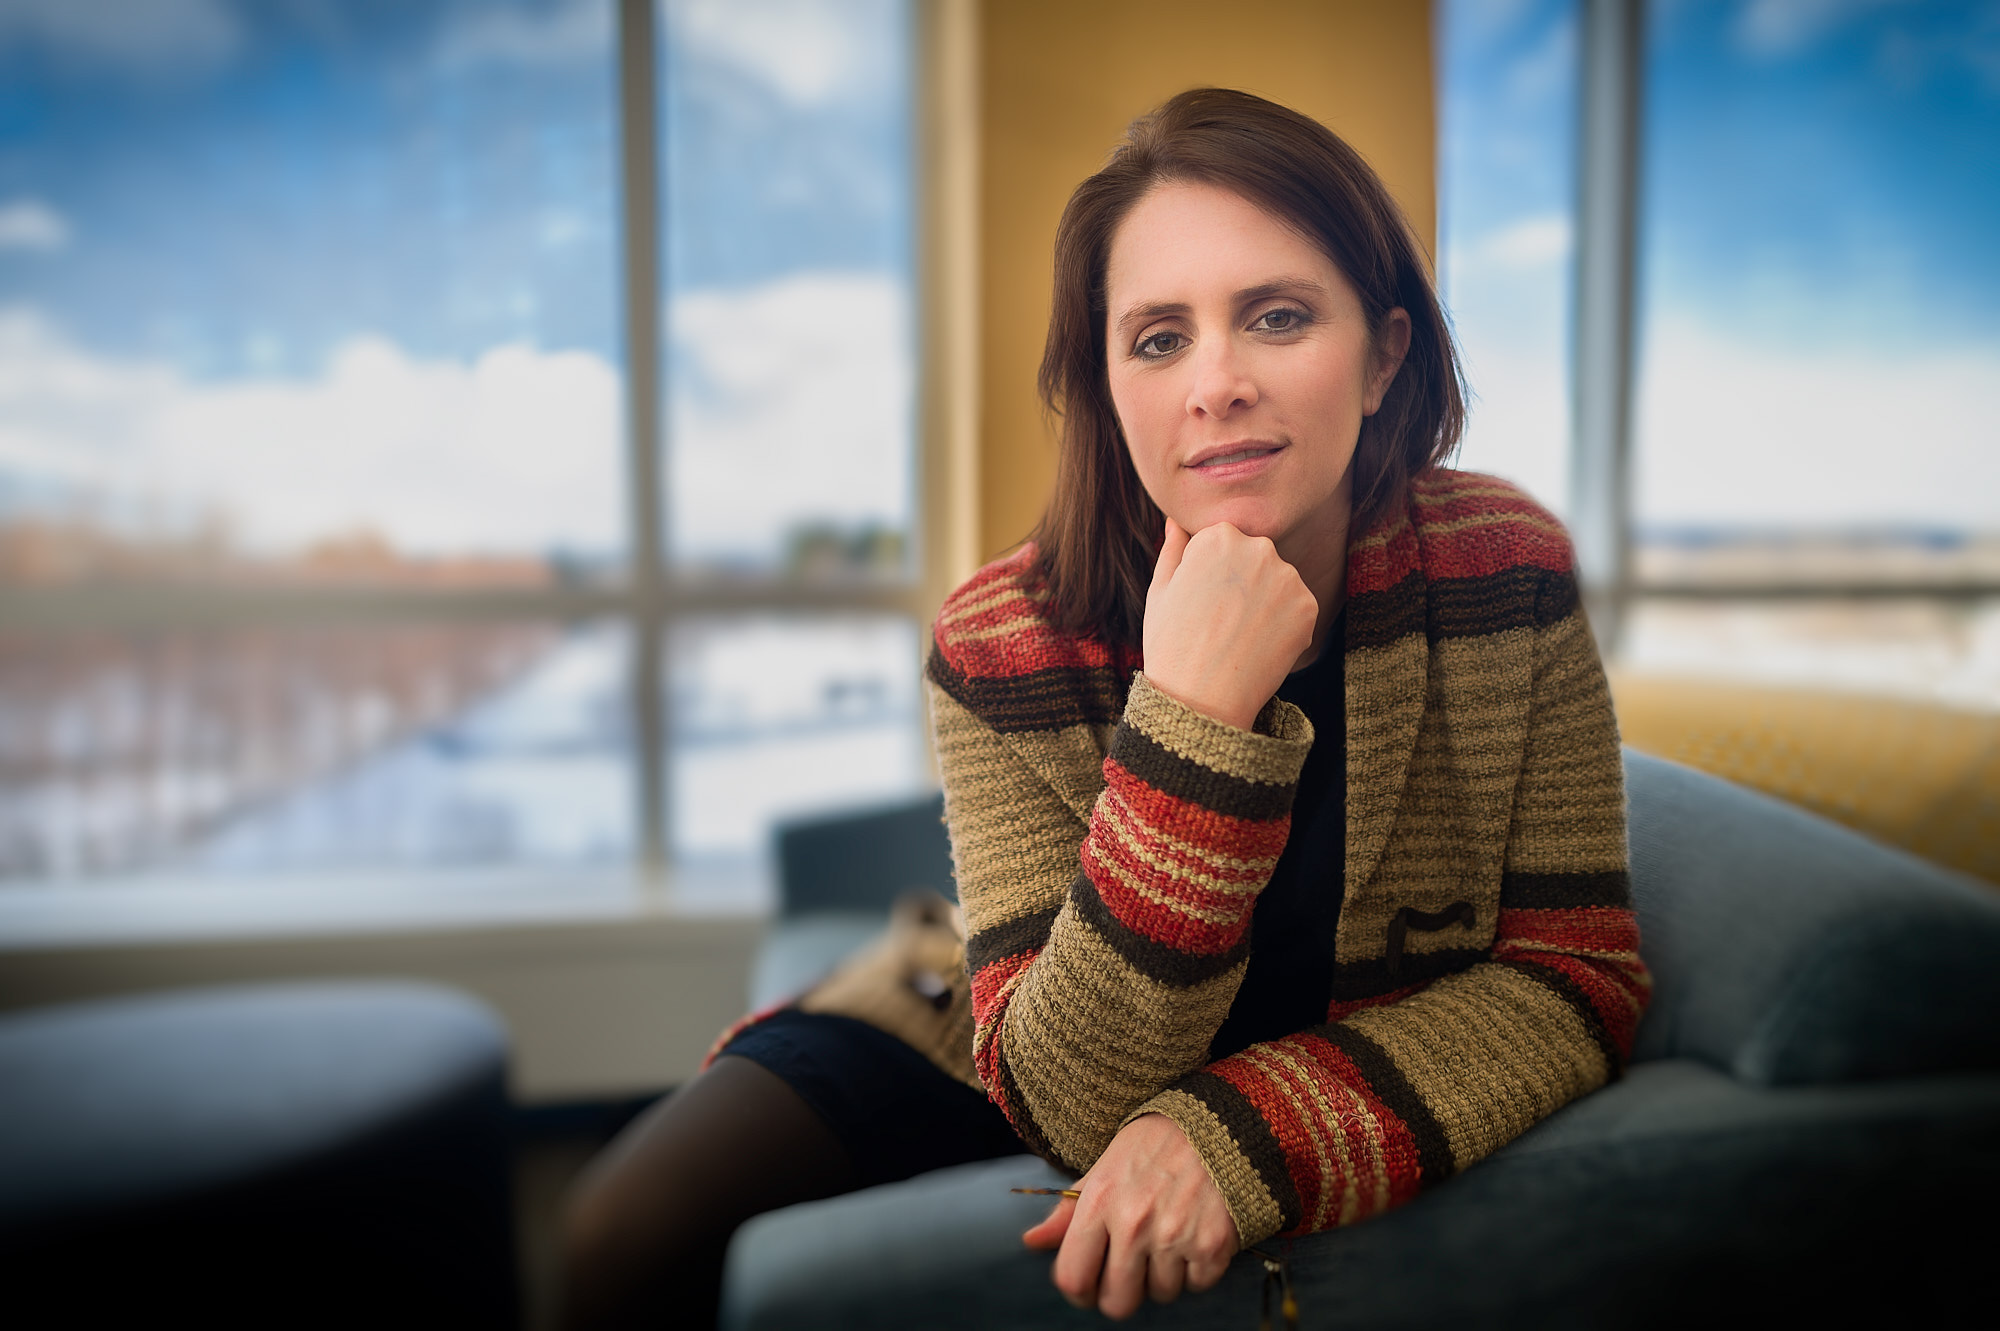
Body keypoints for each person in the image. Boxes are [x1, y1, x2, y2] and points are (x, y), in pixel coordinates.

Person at [558, 87, 1649, 1329]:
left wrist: (1242, 1130)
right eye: (1157, 337)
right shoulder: (999, 635)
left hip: (1324, 1048)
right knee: (623, 1235)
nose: (1217, 383)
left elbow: (1575, 973)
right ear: (1107, 382)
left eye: (1277, 317)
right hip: (987, 1027)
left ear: (1384, 353)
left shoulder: (1502, 568)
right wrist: (1194, 709)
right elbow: (1065, 1099)